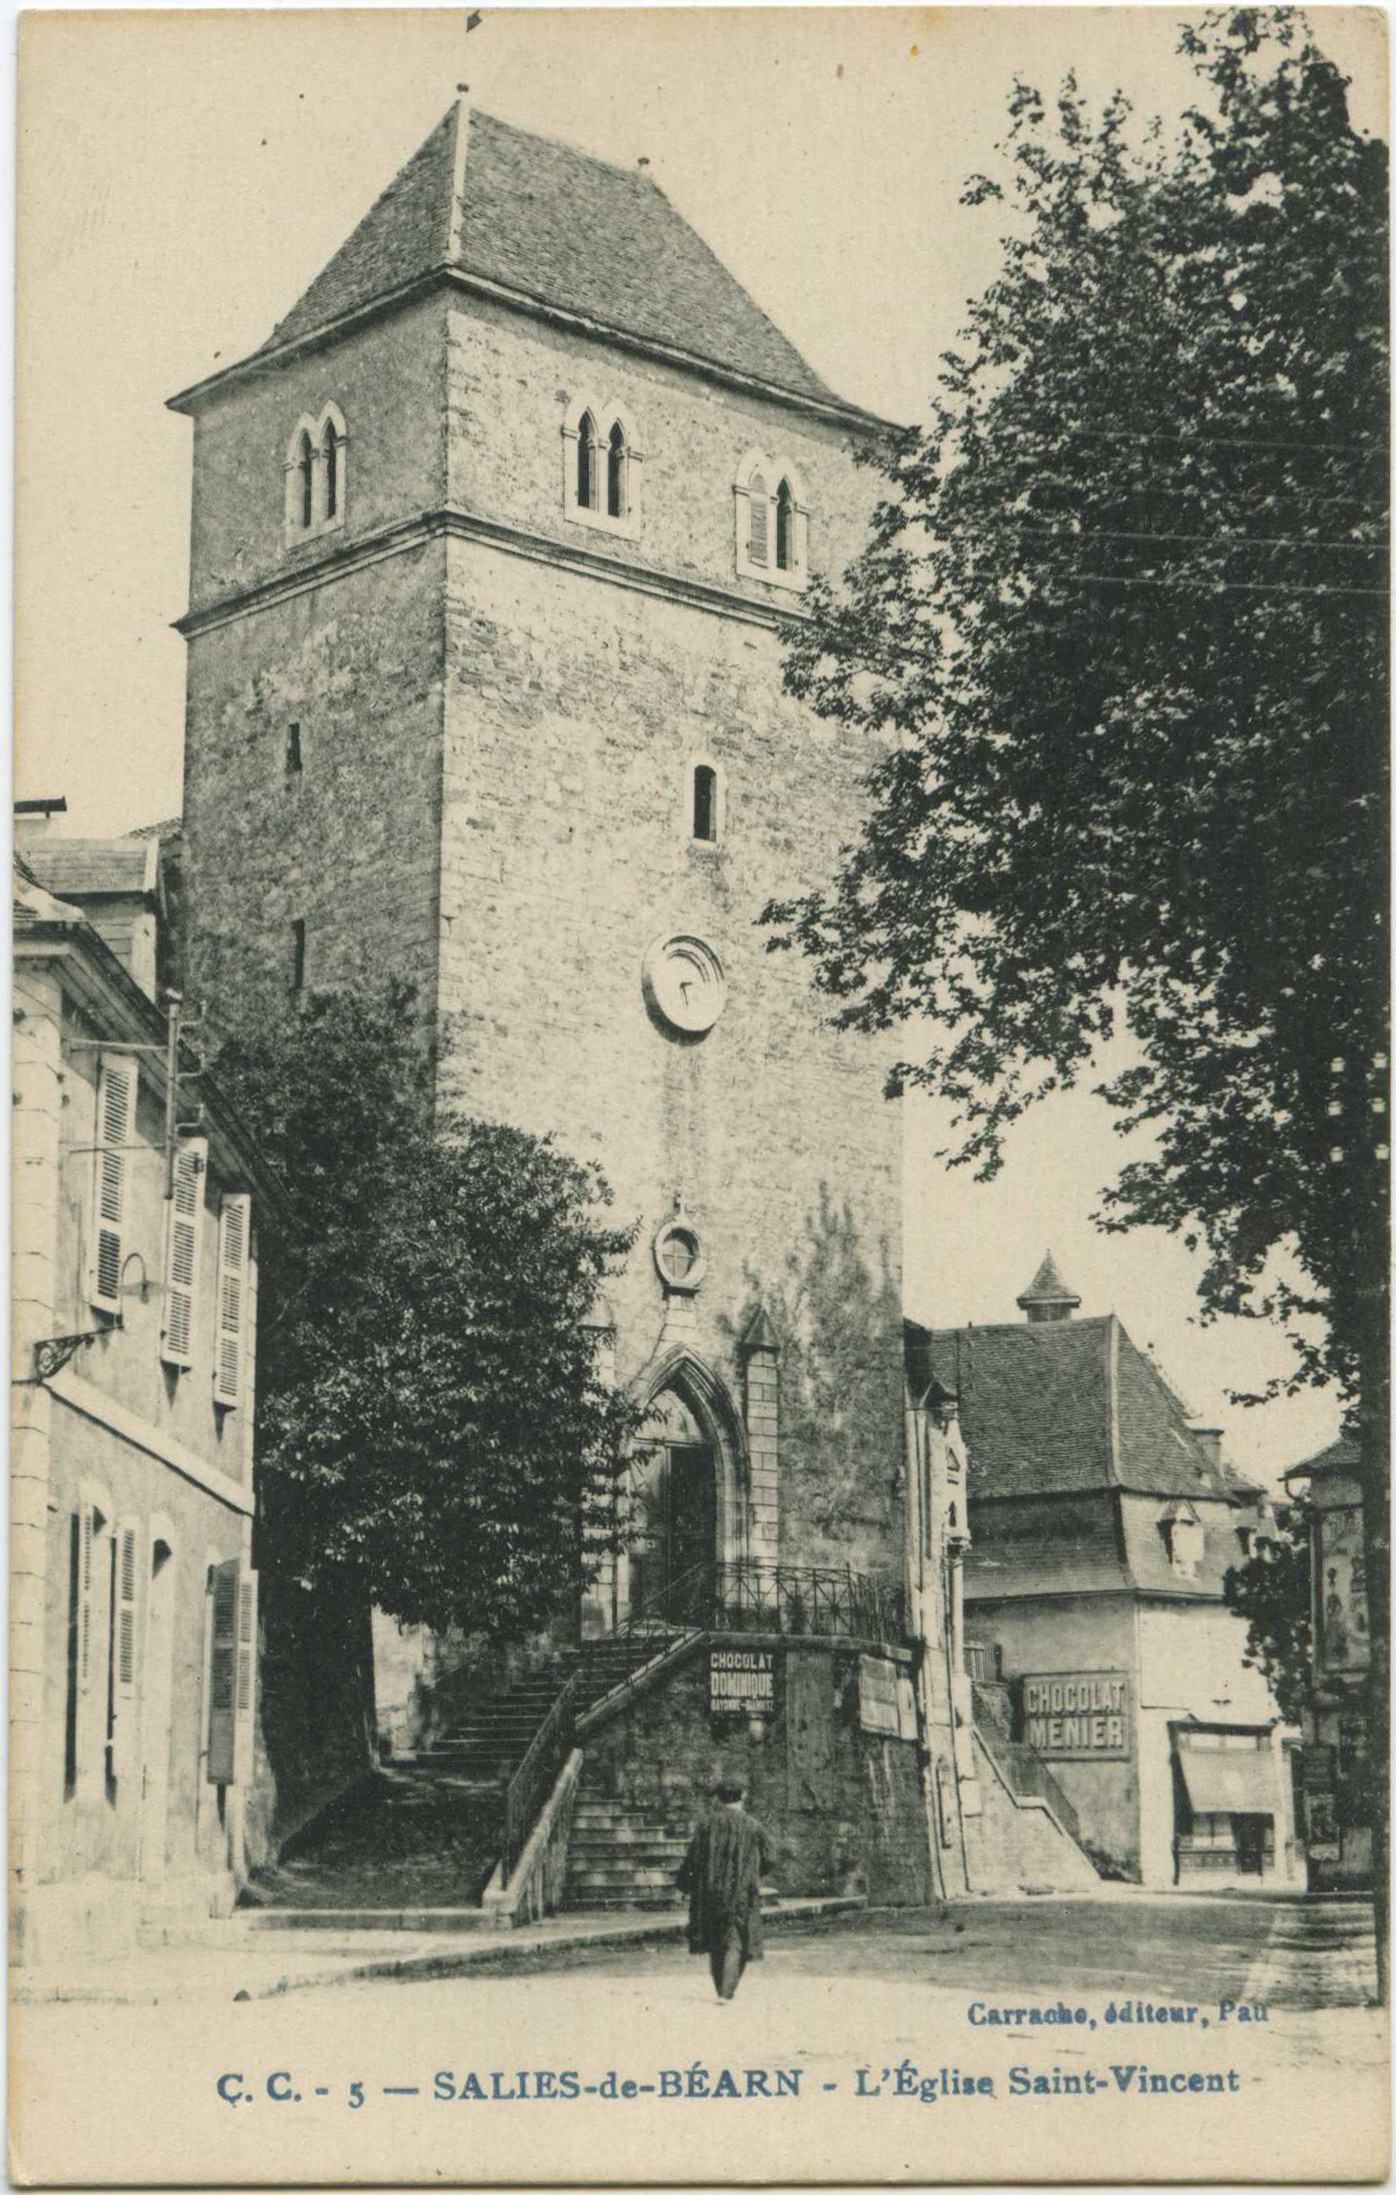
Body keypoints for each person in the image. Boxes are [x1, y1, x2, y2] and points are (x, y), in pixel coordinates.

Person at [676, 1779, 775, 2002]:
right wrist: (754, 1874)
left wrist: (684, 1885)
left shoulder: (706, 1825)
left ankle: (722, 1987)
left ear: (718, 1798)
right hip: (740, 1891)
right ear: (743, 1796)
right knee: (735, 1940)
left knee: (715, 1941)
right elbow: (771, 1857)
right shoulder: (753, 1825)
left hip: (709, 1891)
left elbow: (692, 1860)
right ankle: (726, 1991)